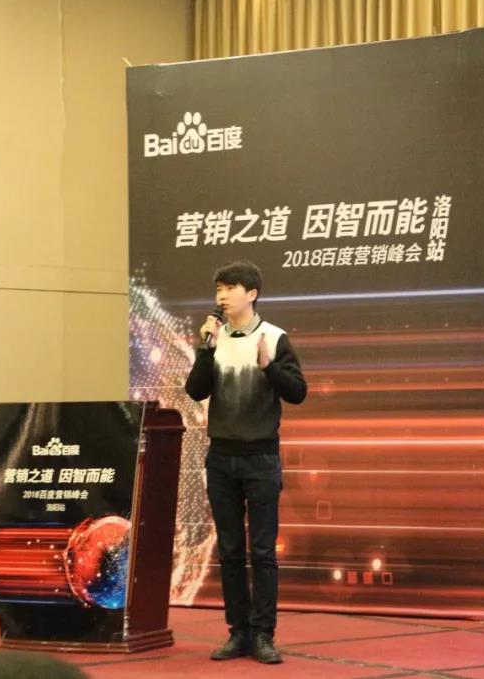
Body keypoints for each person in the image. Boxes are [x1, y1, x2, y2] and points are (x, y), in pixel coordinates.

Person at [184, 260, 307, 665]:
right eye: (218, 289)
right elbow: (195, 390)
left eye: (229, 288)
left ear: (251, 294)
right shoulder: (214, 338)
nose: (221, 296)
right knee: (231, 550)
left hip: (261, 458)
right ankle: (238, 632)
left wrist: (268, 367)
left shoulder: (275, 337)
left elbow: (298, 392)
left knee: (263, 551)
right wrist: (205, 349)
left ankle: (264, 634)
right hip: (221, 458)